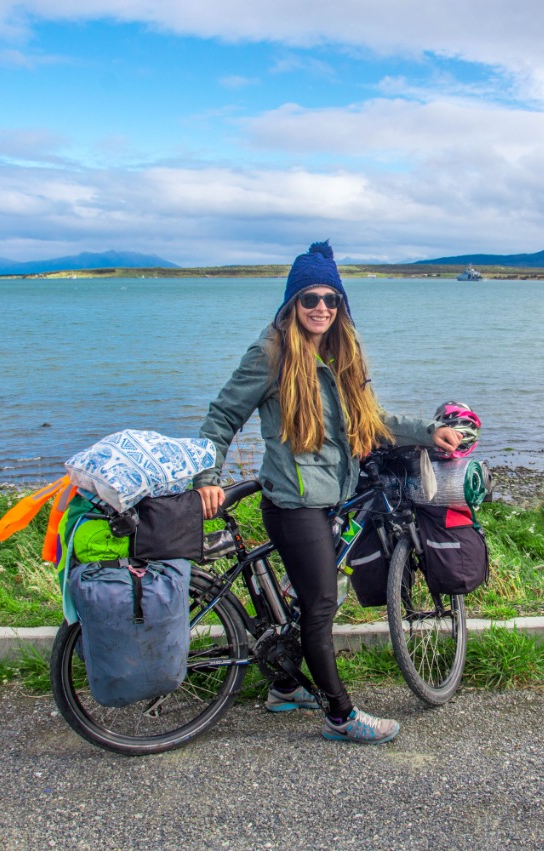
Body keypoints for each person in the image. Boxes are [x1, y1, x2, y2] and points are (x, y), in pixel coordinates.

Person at [192, 241, 462, 745]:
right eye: (310, 298)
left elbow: (372, 421)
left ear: (341, 307)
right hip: (294, 504)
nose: (320, 308)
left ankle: (285, 685)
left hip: (330, 499)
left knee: (311, 597)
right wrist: (207, 477)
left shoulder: (340, 354)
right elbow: (223, 416)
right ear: (292, 304)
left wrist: (430, 430)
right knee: (319, 605)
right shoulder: (271, 353)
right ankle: (340, 715)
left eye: (330, 299)